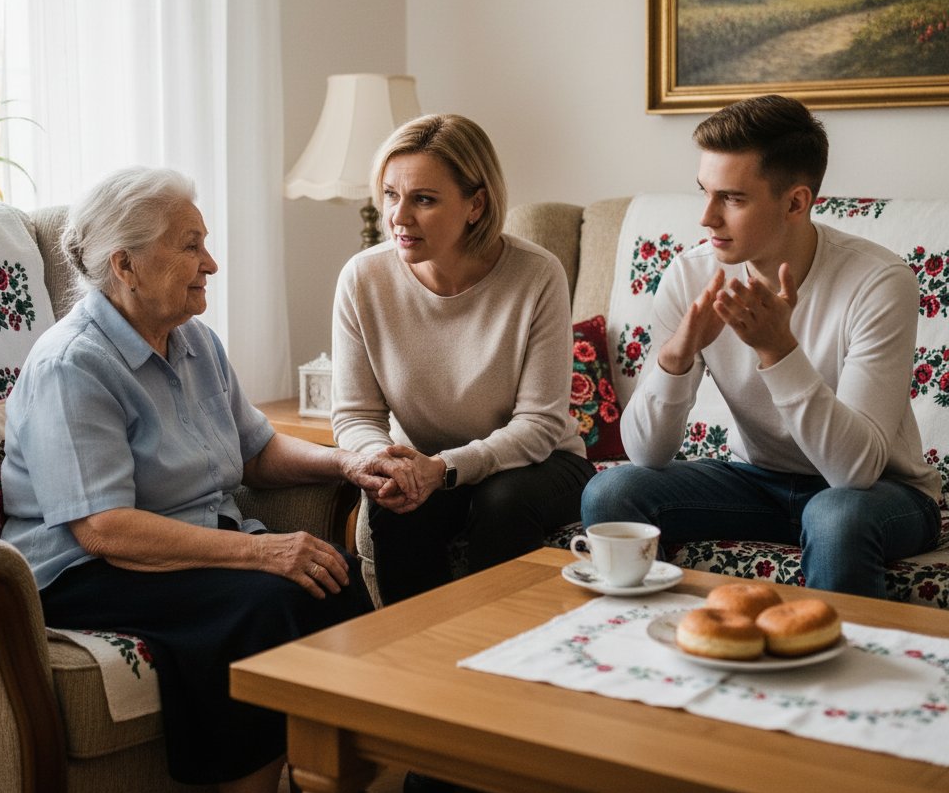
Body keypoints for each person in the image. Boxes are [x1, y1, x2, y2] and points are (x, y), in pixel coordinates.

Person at [1, 167, 384, 793]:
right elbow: (102, 528)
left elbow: (256, 451)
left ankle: (330, 778)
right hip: (83, 571)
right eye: (189, 245)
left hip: (186, 542)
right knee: (266, 604)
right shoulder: (73, 364)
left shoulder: (196, 341)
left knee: (337, 583)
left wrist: (346, 461)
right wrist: (262, 551)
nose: (211, 263)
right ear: (126, 265)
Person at [581, 94, 942, 599]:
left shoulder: (878, 281)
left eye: (732, 198)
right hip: (755, 482)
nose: (706, 218)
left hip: (880, 494)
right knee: (611, 491)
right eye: (704, 192)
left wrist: (779, 353)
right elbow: (646, 453)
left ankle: (838, 674)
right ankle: (667, 651)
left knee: (835, 517)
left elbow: (854, 471)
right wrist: (675, 358)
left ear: (795, 202)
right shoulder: (692, 274)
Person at [332, 113, 595, 606]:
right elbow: (356, 415)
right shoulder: (363, 278)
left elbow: (539, 424)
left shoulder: (536, 275)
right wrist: (386, 463)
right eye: (390, 194)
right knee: (394, 506)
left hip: (541, 463)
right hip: (430, 463)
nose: (398, 218)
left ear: (476, 204)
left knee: (502, 502)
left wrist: (444, 469)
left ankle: (503, 655)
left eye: (423, 199)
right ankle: (417, 658)